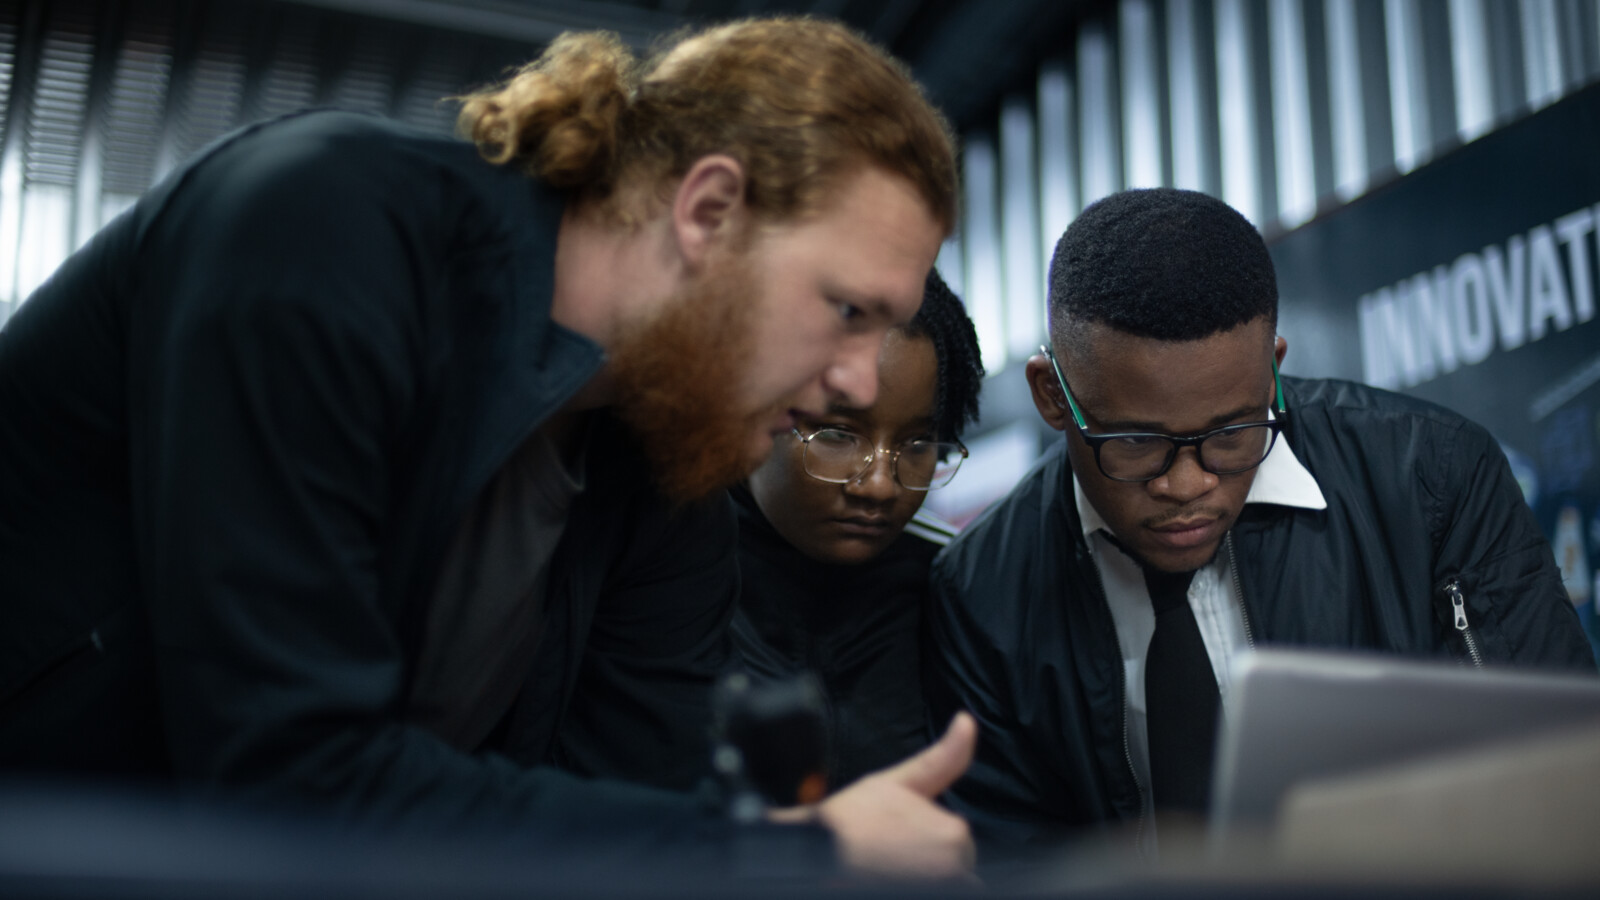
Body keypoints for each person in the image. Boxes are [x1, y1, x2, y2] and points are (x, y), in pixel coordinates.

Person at [0, 17, 976, 880]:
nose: (858, 377)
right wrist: (794, 850)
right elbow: (288, 779)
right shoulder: (318, 231)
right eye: (848, 311)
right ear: (708, 211)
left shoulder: (667, 446)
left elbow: (636, 802)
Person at [927, 187, 1595, 853]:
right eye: (1133, 443)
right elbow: (1010, 865)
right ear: (1052, 395)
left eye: (1231, 434)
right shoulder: (983, 591)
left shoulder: (1435, 479)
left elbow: (1563, 772)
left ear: (1272, 371)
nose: (1186, 485)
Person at [732, 269, 983, 791]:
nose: (879, 486)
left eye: (916, 447)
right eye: (839, 434)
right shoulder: (649, 571)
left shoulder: (953, 587)